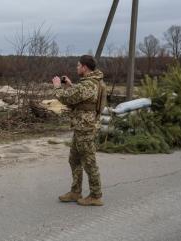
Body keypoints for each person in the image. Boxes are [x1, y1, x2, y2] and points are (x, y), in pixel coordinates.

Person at [52, 55, 105, 206]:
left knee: (89, 162)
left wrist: (57, 86)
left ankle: (96, 195)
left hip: (85, 128)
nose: (76, 68)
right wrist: (69, 85)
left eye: (78, 65)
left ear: (85, 67)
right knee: (74, 159)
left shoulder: (89, 84)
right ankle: (75, 192)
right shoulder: (90, 83)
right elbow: (80, 97)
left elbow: (68, 99)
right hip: (81, 127)